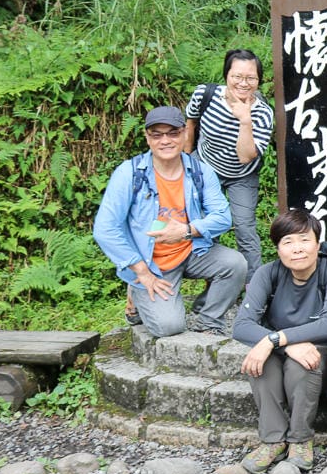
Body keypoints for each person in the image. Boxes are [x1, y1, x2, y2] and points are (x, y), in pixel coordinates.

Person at [94, 106, 247, 337]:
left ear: (185, 133)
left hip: (191, 251)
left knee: (235, 264)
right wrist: (141, 272)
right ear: (147, 138)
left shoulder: (200, 172)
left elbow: (223, 217)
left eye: (173, 133)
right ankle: (136, 297)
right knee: (169, 327)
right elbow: (105, 229)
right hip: (151, 263)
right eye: (157, 134)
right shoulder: (129, 173)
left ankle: (207, 319)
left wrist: (187, 231)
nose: (165, 140)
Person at [231, 209, 327, 474]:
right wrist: (282, 343)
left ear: (318, 244)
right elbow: (241, 325)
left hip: (322, 349)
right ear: (278, 248)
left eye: (304, 240)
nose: (297, 249)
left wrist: (277, 338)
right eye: (288, 242)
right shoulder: (267, 274)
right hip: (281, 346)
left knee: (304, 362)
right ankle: (272, 440)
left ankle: (300, 440)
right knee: (259, 361)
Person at [183, 48, 275, 285]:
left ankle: (255, 288)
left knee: (244, 227)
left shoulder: (263, 113)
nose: (243, 83)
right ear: (226, 75)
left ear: (258, 80)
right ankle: (217, 281)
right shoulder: (205, 94)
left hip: (241, 175)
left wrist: (245, 119)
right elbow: (190, 125)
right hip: (204, 167)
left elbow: (245, 157)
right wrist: (185, 163)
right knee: (201, 222)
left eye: (251, 78)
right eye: (237, 76)